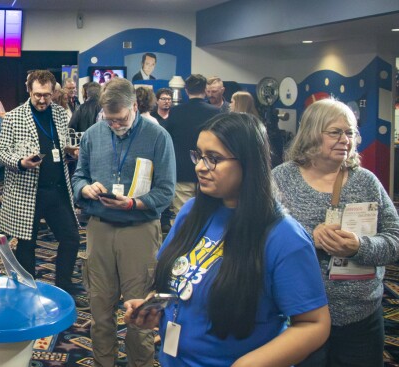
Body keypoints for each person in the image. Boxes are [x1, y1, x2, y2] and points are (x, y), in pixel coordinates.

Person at [125, 113, 331, 366]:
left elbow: (314, 324)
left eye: (214, 159)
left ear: (248, 162)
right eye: (199, 156)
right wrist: (157, 309)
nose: (200, 166)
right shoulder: (191, 213)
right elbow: (183, 286)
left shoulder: (284, 236)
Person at [274, 99, 399, 366]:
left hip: (361, 316)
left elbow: (394, 240)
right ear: (311, 132)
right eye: (335, 132)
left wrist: (359, 247)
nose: (346, 139)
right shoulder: (281, 179)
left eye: (350, 132)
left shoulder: (366, 181)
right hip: (299, 315)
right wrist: (309, 238)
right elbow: (261, 237)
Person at [71, 78, 175, 367]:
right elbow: (79, 175)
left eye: (121, 119)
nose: (115, 125)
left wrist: (133, 203)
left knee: (139, 313)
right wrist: (84, 188)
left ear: (135, 107)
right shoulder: (93, 134)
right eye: (109, 119)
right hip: (100, 228)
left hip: (139, 230)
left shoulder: (157, 137)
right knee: (100, 309)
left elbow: (166, 191)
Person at [0, 70, 80, 294]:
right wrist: (21, 162)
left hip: (58, 190)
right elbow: (2, 153)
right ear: (29, 91)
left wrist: (69, 150)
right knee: (26, 245)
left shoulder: (61, 115)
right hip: (26, 193)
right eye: (37, 95)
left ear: (54, 92)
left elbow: (59, 145)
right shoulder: (14, 117)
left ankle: (63, 285)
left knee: (71, 238)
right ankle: (27, 290)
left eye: (46, 95)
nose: (42, 100)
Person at [163, 74, 220, 221]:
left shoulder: (175, 112)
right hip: (209, 171)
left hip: (182, 171)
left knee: (182, 217)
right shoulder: (216, 113)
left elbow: (168, 139)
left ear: (186, 90)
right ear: (205, 90)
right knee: (208, 216)